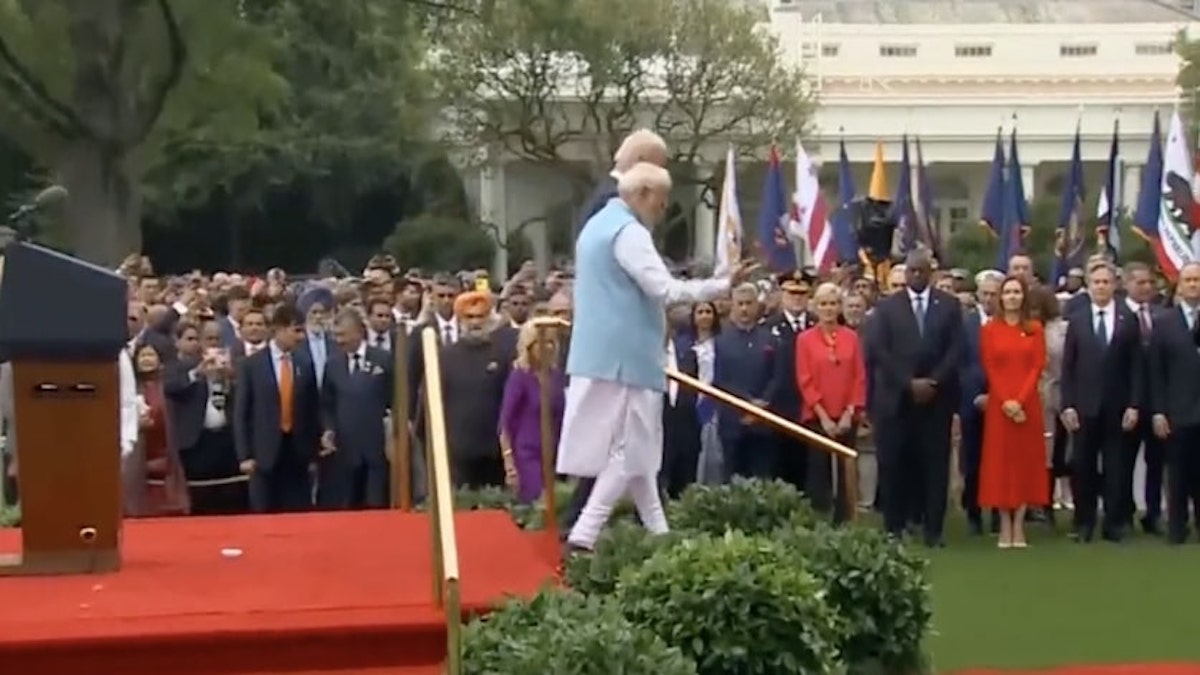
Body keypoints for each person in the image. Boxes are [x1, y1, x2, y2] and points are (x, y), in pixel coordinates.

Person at [556, 162, 752, 552]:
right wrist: (721, 285)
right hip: (629, 357)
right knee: (630, 450)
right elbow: (664, 290)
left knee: (643, 453)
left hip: (606, 353)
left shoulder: (597, 225)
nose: (662, 212)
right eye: (661, 204)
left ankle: (661, 536)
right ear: (642, 194)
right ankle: (584, 533)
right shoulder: (628, 231)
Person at [868, 250, 963, 547]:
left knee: (935, 465)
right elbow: (879, 351)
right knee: (894, 463)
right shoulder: (887, 308)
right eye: (912, 271)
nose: (917, 276)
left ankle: (933, 530)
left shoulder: (948, 306)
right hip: (897, 400)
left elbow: (956, 349)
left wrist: (933, 381)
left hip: (936, 400)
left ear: (931, 273)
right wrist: (908, 383)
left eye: (922, 271)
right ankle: (894, 528)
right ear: (906, 273)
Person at [1060, 261, 1141, 543]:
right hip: (1084, 407)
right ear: (1089, 286)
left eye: (1106, 282)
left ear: (1114, 285)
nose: (1101, 287)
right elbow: (1068, 367)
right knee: (1082, 467)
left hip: (1117, 408)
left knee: (1116, 468)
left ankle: (1114, 523)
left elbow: (1136, 366)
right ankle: (1084, 523)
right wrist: (1067, 404)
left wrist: (1134, 404)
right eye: (1096, 282)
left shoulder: (1127, 319)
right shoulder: (1078, 319)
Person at [978, 276, 1048, 548]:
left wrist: (1019, 401)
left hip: (1027, 406)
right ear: (1000, 297)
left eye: (1017, 292)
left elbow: (1036, 366)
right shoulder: (990, 330)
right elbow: (990, 367)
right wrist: (1007, 401)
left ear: (1024, 296)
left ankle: (1019, 527)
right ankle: (1004, 526)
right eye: (1007, 292)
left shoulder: (1034, 329)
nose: (1012, 297)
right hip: (1000, 406)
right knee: (1001, 465)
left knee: (1024, 465)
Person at [795, 282, 866, 522]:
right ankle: (819, 518)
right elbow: (804, 379)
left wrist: (849, 412)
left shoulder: (851, 338)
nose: (828, 309)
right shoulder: (804, 340)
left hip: (847, 413)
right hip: (817, 415)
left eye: (833, 303)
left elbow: (859, 377)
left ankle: (846, 518)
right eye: (823, 304)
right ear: (815, 306)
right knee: (818, 469)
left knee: (846, 469)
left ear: (840, 307)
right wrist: (823, 416)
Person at [1148, 261, 1200, 545]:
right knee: (1177, 474)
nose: (1194, 285)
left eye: (1198, 280)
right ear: (1179, 285)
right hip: (1177, 411)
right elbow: (1155, 371)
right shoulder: (1165, 323)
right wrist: (1158, 411)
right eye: (1189, 280)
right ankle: (1177, 529)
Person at [499, 321, 565, 503]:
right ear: (529, 346)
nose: (548, 347)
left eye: (551, 342)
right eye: (541, 342)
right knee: (538, 501)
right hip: (528, 454)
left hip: (555, 454)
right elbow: (505, 422)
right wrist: (509, 463)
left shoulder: (556, 376)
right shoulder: (520, 376)